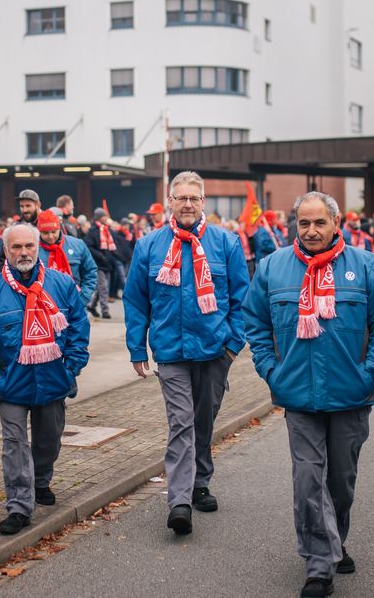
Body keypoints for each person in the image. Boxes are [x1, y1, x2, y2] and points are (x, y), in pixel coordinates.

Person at [242, 191, 374, 598]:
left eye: (319, 223)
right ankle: (319, 566)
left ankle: (335, 540)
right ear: (294, 225)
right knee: (307, 479)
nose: (311, 231)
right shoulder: (272, 268)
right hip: (297, 396)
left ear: (336, 224)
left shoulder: (369, 267)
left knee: (340, 483)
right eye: (304, 223)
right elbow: (255, 325)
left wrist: (371, 374)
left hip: (352, 395)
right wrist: (272, 373)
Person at [124, 171, 249, 536]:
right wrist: (137, 347)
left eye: (194, 198)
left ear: (203, 201)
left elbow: (242, 300)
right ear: (170, 203)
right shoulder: (149, 246)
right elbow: (135, 300)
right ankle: (179, 500)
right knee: (181, 422)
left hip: (215, 351)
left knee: (204, 420)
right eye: (182, 198)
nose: (188, 204)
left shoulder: (226, 243)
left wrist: (231, 346)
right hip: (171, 352)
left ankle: (200, 482)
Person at [0, 223, 90, 536]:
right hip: (11, 385)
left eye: (29, 247)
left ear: (38, 248)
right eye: (17, 247)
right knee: (15, 443)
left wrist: (70, 367)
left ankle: (41, 479)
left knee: (49, 439)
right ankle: (20, 505)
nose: (24, 253)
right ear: (5, 251)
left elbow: (78, 328)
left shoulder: (60, 284)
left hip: (53, 380)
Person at [37, 210, 98, 303]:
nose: (50, 236)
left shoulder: (78, 245)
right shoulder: (33, 249)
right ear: (39, 231)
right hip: (44, 305)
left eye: (54, 232)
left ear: (59, 228)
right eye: (45, 233)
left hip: (74, 301)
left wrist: (83, 298)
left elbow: (90, 272)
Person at [85, 207, 116, 319]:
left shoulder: (107, 230)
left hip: (107, 263)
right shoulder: (92, 231)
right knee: (103, 287)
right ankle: (105, 310)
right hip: (98, 263)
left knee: (101, 287)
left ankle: (92, 306)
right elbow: (88, 246)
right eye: (104, 216)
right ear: (99, 217)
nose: (106, 218)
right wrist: (100, 256)